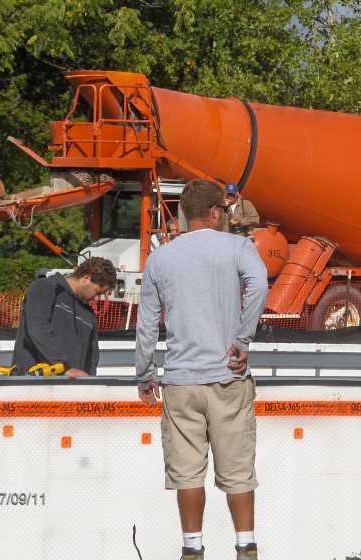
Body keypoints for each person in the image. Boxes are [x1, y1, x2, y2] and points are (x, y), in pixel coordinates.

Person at [135, 179, 268, 560]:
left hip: (180, 381)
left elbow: (146, 324)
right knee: (238, 470)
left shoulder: (161, 257)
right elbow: (258, 286)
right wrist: (242, 340)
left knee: (187, 474)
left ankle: (192, 549)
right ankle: (246, 546)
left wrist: (144, 373)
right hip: (227, 376)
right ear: (214, 212)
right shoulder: (238, 247)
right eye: (225, 211)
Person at [12, 256, 116, 378]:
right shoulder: (45, 287)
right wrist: (64, 367)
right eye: (97, 292)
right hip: (33, 383)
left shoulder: (88, 314)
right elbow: (37, 328)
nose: (96, 297)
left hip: (70, 390)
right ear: (86, 278)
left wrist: (89, 384)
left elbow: (91, 356)